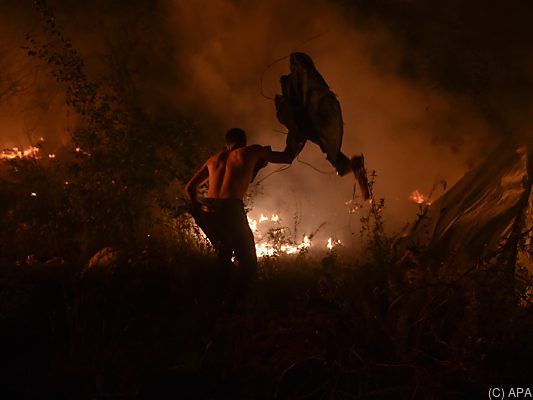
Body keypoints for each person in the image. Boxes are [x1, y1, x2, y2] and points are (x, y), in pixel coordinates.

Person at [184, 128, 291, 303]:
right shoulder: (251, 151)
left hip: (209, 208)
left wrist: (199, 208)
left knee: (224, 253)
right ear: (244, 142)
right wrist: (298, 139)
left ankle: (214, 300)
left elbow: (189, 188)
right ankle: (231, 305)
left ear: (227, 143)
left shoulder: (214, 159)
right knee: (249, 264)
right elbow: (286, 157)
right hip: (231, 208)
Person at [274, 52, 370, 200]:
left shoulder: (309, 77)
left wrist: (307, 116)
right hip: (304, 121)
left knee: (329, 151)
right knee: (291, 154)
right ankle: (352, 165)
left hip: (317, 118)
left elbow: (314, 96)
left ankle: (352, 166)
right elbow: (292, 103)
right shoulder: (292, 83)